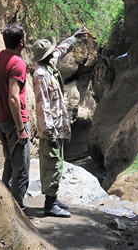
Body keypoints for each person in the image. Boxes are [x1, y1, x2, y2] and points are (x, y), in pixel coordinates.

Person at [31, 24, 86, 217]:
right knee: (51, 164)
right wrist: (49, 132)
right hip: (51, 129)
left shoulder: (49, 64)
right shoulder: (40, 75)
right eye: (50, 51)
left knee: (58, 163)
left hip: (58, 126)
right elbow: (42, 105)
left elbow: (61, 50)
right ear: (44, 55)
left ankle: (53, 198)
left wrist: (74, 36)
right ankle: (49, 205)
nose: (54, 52)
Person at [0, 23, 30, 210]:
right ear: (21, 43)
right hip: (13, 123)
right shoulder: (17, 63)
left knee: (9, 162)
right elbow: (13, 97)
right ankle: (17, 211)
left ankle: (3, 203)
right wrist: (20, 128)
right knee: (21, 168)